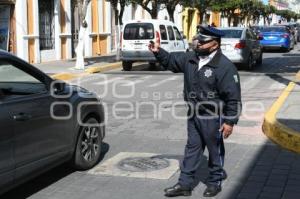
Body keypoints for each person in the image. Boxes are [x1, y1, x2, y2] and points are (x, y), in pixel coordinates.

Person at [148, 25, 242, 197]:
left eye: (202, 42)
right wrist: (157, 51)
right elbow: (170, 61)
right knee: (192, 149)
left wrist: (230, 121)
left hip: (214, 116)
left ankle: (214, 182)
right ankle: (185, 185)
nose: (198, 43)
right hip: (194, 114)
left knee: (214, 150)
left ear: (214, 44)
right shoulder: (191, 58)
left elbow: (233, 97)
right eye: (198, 40)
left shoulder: (224, 66)